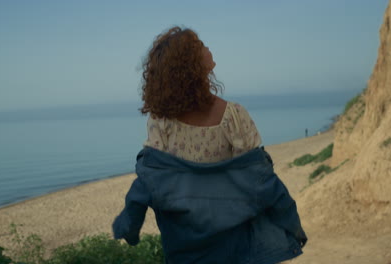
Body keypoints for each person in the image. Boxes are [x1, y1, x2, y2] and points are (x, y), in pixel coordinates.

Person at [113, 26, 307, 264]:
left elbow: (151, 177)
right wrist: (290, 223)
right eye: (201, 46)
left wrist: (130, 223)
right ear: (190, 64)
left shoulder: (160, 121)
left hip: (182, 241)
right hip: (234, 241)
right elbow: (259, 178)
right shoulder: (233, 116)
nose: (208, 49)